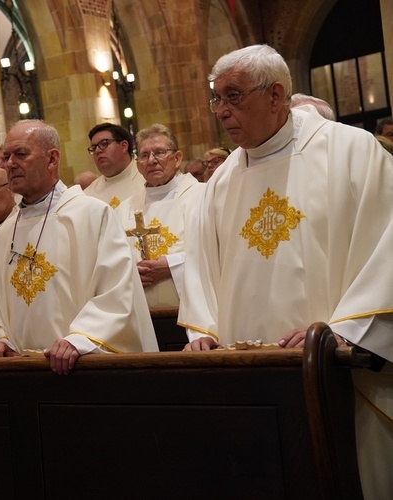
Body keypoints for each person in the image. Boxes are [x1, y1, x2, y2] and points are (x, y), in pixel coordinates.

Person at [178, 44, 393, 498]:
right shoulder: (222, 178)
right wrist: (203, 328)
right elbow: (200, 260)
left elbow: (387, 248)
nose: (221, 111)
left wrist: (345, 330)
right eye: (216, 99)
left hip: (334, 371)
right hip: (251, 375)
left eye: (233, 96)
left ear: (276, 95)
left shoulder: (352, 151)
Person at [0, 120, 158, 375]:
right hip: (22, 372)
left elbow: (117, 288)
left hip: (83, 368)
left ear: (52, 159)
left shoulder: (92, 215)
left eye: (21, 154)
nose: (9, 164)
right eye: (6, 156)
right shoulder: (3, 234)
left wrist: (81, 338)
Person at [117, 124, 205, 308]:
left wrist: (172, 266)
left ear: (177, 158)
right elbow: (113, 260)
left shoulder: (202, 196)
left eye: (159, 152)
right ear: (138, 166)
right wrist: (130, 273)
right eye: (144, 155)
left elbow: (214, 253)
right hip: (142, 317)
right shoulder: (125, 209)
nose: (152, 160)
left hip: (191, 315)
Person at [83, 123, 146, 208]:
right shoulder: (88, 195)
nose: (97, 151)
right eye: (94, 148)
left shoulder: (148, 179)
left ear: (124, 146)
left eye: (104, 144)